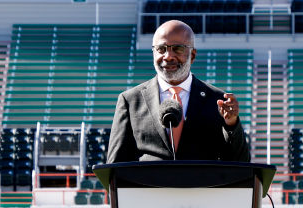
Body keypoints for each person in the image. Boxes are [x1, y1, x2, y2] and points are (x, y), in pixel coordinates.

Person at [106, 19, 250, 163]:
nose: (168, 56)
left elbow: (240, 162)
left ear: (192, 55)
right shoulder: (130, 101)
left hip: (200, 185)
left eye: (177, 48)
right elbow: (115, 166)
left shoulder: (217, 100)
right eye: (161, 49)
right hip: (149, 185)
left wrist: (232, 124)